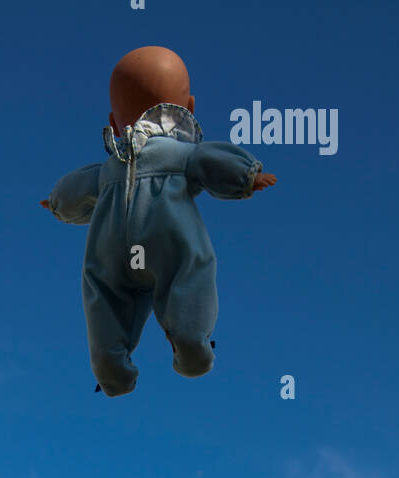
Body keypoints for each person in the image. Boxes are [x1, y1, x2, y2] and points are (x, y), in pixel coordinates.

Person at [41, 46, 277, 395]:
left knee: (102, 296)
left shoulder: (109, 168)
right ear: (190, 108)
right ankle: (192, 345)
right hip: (165, 240)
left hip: (112, 252)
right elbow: (208, 161)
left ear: (112, 122)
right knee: (191, 272)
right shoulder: (181, 154)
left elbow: (79, 187)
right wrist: (246, 175)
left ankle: (110, 369)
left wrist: (57, 203)